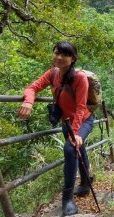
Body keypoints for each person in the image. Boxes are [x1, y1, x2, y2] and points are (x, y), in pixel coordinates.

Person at [17, 41, 94, 216]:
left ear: (73, 58)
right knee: (78, 149)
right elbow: (32, 87)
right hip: (67, 123)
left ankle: (67, 199)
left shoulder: (79, 78)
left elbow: (81, 107)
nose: (59, 57)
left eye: (64, 54)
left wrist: (75, 133)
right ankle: (85, 184)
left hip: (84, 121)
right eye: (56, 53)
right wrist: (28, 101)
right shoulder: (53, 74)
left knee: (70, 148)